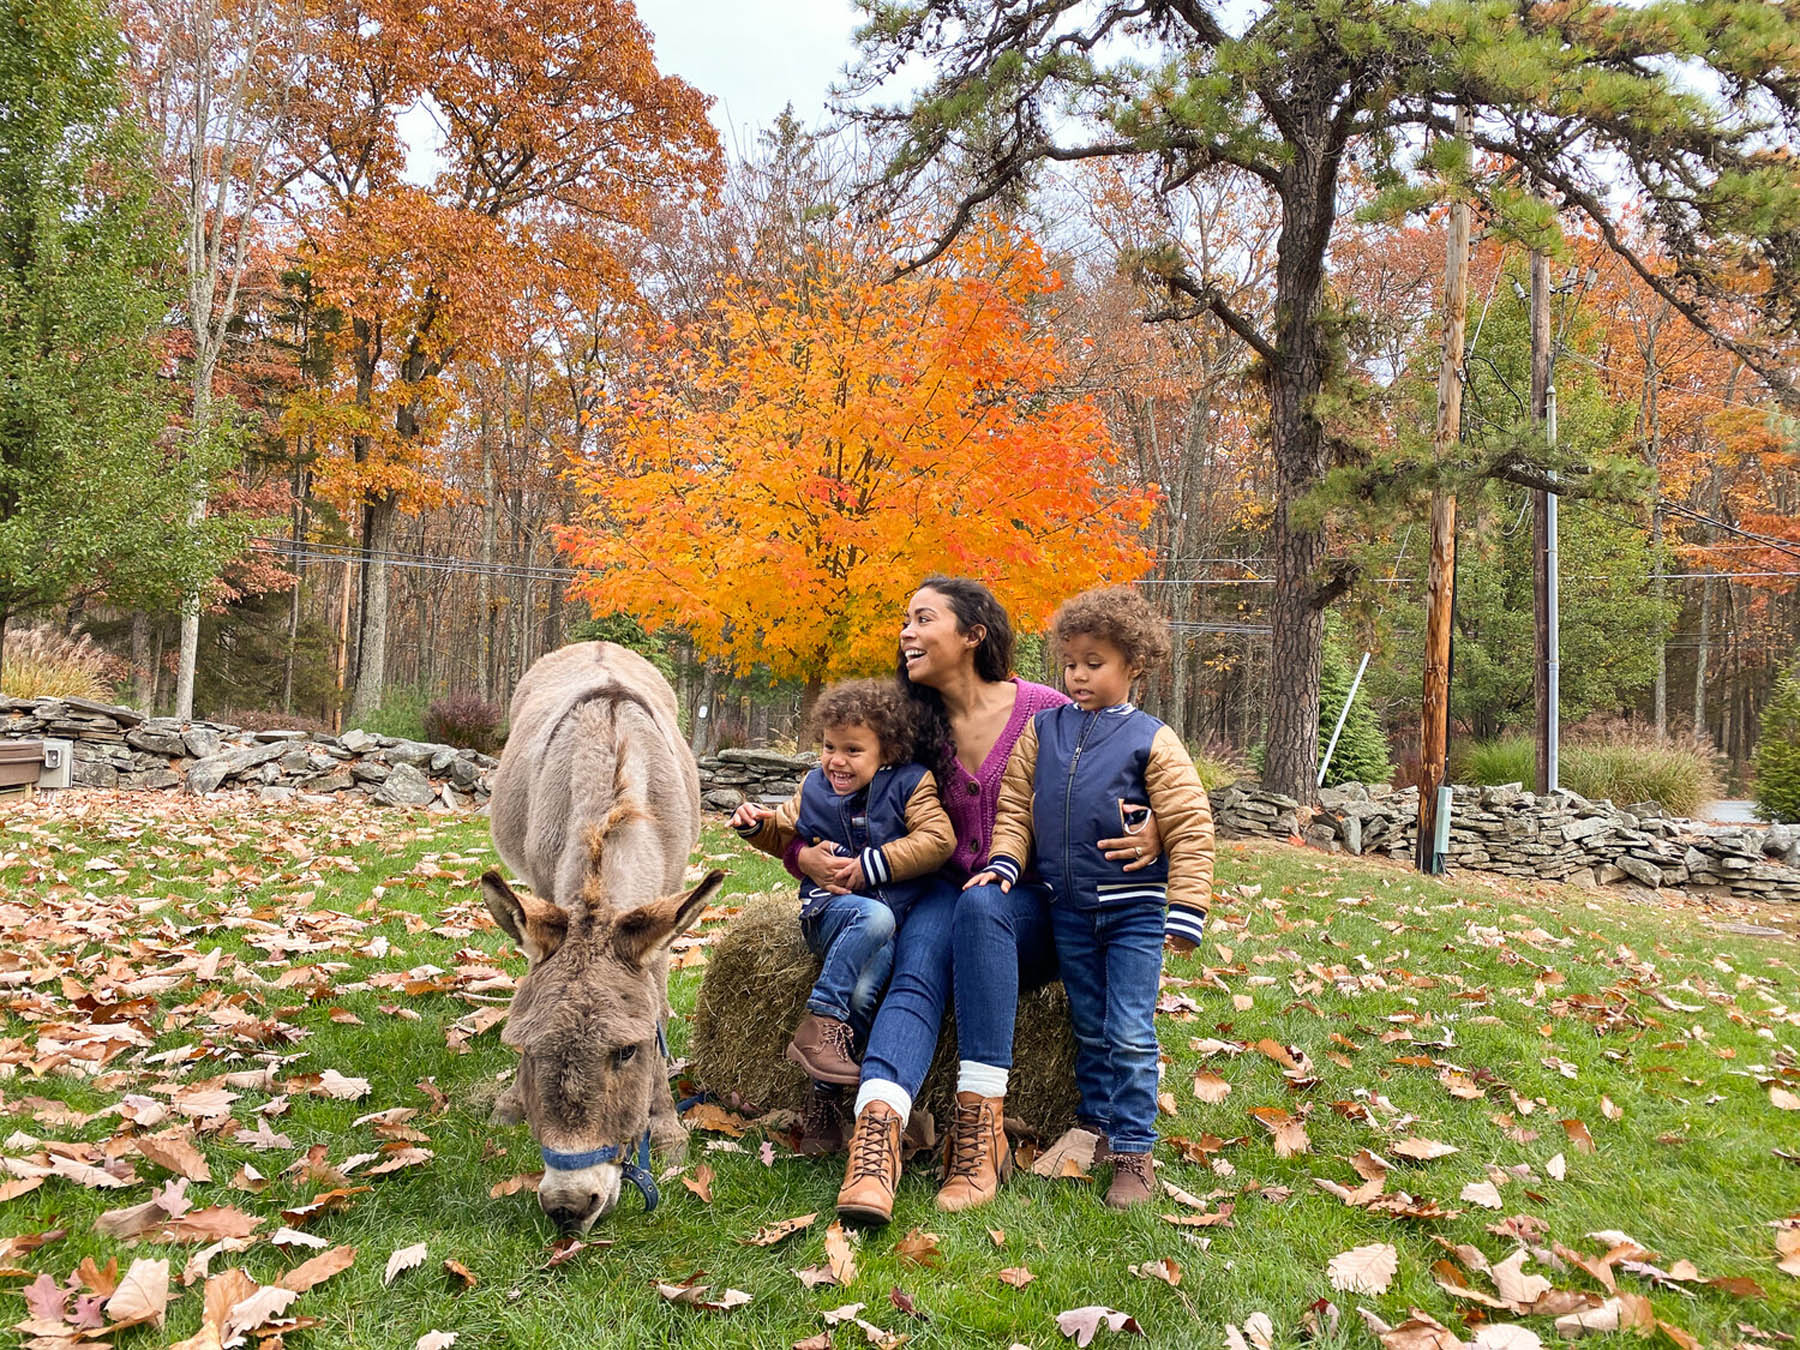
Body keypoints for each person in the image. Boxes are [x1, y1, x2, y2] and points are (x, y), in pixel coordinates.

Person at [810, 577, 1168, 1226]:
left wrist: (1157, 827)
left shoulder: (1048, 709)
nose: (906, 632)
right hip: (945, 896)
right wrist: (799, 854)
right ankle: (877, 1141)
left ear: (974, 633)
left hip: (1036, 908)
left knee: (980, 909)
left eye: (924, 619)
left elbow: (1145, 765)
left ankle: (980, 1134)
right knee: (918, 969)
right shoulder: (909, 728)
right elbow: (834, 795)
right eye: (904, 620)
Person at [967, 585, 1215, 1208]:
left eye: (1094, 662)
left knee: (1129, 1029)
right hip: (1067, 909)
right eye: (1071, 662)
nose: (1078, 675)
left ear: (1134, 664)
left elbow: (1188, 822)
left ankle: (1135, 1149)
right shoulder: (1042, 730)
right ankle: (1095, 1123)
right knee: (1088, 1022)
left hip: (1131, 912)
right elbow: (1017, 807)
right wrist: (1004, 861)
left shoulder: (1152, 740)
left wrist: (1185, 909)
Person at [731, 679, 954, 1153]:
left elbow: (938, 840)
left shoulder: (911, 783)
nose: (836, 760)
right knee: (871, 919)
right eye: (830, 746)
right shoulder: (813, 786)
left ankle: (825, 1102)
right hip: (832, 914)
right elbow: (783, 831)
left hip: (891, 919)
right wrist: (757, 826)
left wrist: (871, 865)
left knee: (866, 990)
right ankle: (819, 1017)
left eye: (853, 750)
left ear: (887, 750)